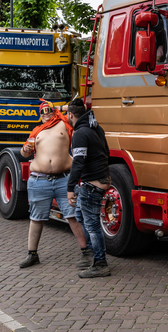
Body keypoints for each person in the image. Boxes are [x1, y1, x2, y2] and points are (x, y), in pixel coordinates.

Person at [18, 100, 88, 269]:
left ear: (54, 110)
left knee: (73, 216)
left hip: (64, 179)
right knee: (36, 218)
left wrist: (59, 108)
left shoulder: (64, 123)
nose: (45, 113)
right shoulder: (37, 131)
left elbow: (80, 109)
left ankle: (87, 252)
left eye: (48, 110)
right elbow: (23, 152)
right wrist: (26, 150)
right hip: (39, 180)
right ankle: (32, 254)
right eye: (42, 111)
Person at [66, 98, 112, 278]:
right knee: (80, 215)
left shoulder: (80, 133)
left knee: (92, 225)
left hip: (91, 185)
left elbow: (78, 162)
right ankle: (93, 252)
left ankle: (100, 263)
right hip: (101, 179)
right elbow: (106, 152)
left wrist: (70, 187)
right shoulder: (96, 129)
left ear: (70, 115)